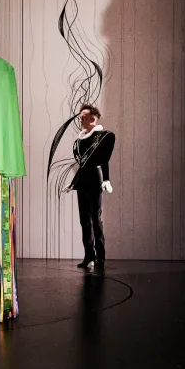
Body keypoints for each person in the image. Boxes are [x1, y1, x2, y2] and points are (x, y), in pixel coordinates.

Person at [64, 104, 115, 268]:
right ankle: (89, 256)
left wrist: (106, 179)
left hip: (95, 180)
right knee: (84, 220)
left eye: (83, 117)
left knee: (95, 218)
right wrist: (73, 183)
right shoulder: (79, 141)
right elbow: (82, 165)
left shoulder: (106, 136)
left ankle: (100, 256)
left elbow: (104, 160)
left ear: (93, 118)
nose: (80, 120)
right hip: (83, 182)